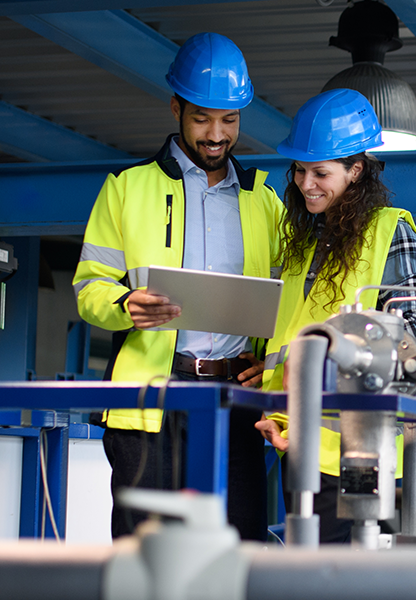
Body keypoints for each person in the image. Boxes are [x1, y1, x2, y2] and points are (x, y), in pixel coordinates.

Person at [72, 32, 284, 540]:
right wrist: (125, 303)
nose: (216, 134)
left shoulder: (266, 201)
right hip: (151, 399)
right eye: (201, 118)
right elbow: (88, 290)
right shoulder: (126, 189)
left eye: (229, 120)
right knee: (146, 551)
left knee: (240, 549)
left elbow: (288, 303)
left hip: (238, 401)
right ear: (175, 108)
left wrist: (270, 361)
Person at [253, 88, 416, 543]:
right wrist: (276, 397)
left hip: (362, 453)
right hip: (299, 447)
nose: (305, 183)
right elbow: (294, 344)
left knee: (352, 578)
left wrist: (328, 365)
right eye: (299, 170)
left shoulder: (388, 231)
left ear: (356, 171)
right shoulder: (302, 244)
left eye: (321, 172)